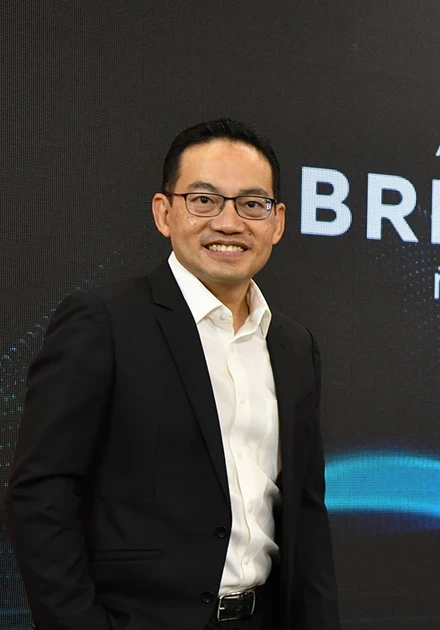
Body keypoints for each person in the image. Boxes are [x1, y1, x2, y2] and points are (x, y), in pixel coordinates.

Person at [6, 119, 339, 630]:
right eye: (204, 200)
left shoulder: (294, 345)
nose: (229, 223)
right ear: (165, 212)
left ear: (277, 222)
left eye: (252, 204)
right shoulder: (103, 322)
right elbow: (41, 495)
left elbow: (305, 512)